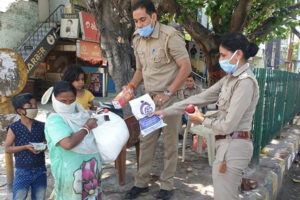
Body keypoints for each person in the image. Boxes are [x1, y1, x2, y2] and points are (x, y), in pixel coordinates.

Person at [152, 32, 259, 200]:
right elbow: (201, 98)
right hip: (225, 145)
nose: (221, 60)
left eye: (224, 55)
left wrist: (201, 119)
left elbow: (228, 125)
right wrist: (166, 111)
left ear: (238, 54)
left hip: (234, 147)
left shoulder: (245, 83)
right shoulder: (230, 79)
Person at [124, 0, 191, 199]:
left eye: (142, 20)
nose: (139, 25)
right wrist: (130, 87)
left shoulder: (170, 36)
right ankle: (141, 183)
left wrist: (168, 92)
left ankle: (167, 186)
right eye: (136, 21)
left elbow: (185, 67)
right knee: (146, 143)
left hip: (170, 99)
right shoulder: (137, 39)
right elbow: (140, 70)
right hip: (149, 101)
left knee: (170, 144)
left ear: (154, 17)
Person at [44, 81, 102, 200]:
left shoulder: (80, 115)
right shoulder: (54, 120)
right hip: (70, 174)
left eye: (71, 100)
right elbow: (68, 143)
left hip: (91, 170)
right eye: (63, 101)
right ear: (54, 99)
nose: (68, 104)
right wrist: (86, 128)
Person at [4, 93, 47, 200]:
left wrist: (42, 147)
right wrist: (26, 147)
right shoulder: (14, 127)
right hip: (22, 171)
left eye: (35, 105)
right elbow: (7, 148)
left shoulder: (42, 126)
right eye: (30, 106)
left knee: (39, 197)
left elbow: (46, 143)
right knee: (19, 197)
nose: (34, 108)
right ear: (20, 111)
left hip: (40, 170)